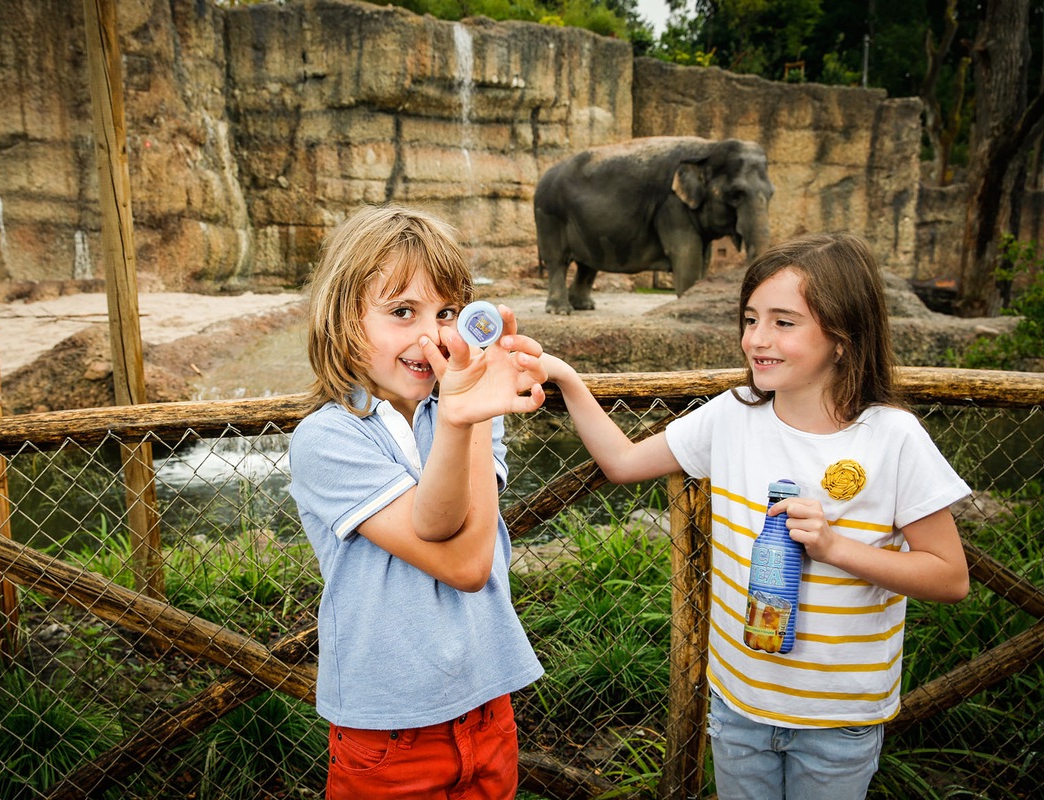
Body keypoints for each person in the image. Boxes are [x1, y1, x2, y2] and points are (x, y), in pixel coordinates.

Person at [540, 232, 971, 799]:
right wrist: (567, 378)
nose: (756, 340)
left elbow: (950, 576)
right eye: (750, 318)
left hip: (838, 718)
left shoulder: (893, 437)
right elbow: (622, 462)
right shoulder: (732, 416)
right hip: (739, 702)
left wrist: (837, 549)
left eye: (783, 322)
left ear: (842, 337)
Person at [288, 204, 547, 799]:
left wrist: (467, 410)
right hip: (388, 733)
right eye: (402, 311)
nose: (431, 337)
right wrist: (467, 417)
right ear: (342, 320)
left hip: (488, 704)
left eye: (448, 313)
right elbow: (460, 560)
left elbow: (457, 525)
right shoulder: (328, 438)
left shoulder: (464, 410)